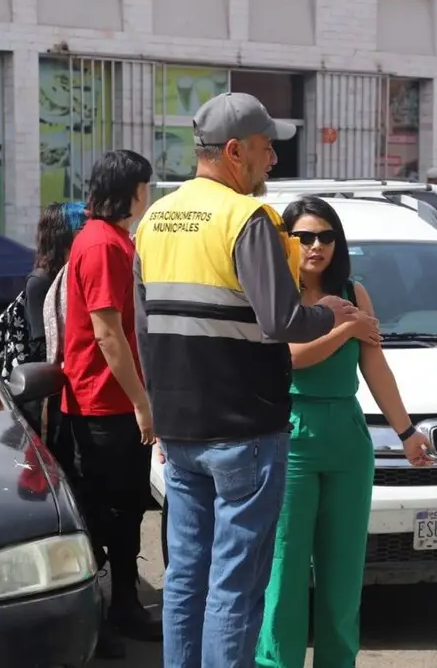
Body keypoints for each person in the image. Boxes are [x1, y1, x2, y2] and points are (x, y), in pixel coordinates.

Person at [134, 92, 360, 668]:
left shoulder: (155, 217)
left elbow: (145, 327)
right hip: (243, 429)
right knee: (236, 582)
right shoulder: (247, 217)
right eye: (265, 149)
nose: (272, 162)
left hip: (180, 430)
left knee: (185, 575)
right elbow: (282, 320)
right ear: (235, 152)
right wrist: (332, 313)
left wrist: (158, 410)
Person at [255, 197, 433, 668]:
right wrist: (343, 329)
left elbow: (376, 366)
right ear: (286, 241)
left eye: (326, 236)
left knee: (342, 575)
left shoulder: (355, 293)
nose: (316, 246)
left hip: (348, 438)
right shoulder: (276, 292)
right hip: (291, 436)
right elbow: (287, 359)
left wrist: (407, 430)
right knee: (286, 574)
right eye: (305, 237)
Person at [56, 150, 160, 659]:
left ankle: (122, 606)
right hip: (104, 404)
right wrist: (142, 403)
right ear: (132, 190)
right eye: (147, 186)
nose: (150, 195)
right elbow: (107, 333)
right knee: (109, 516)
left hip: (112, 400)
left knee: (122, 514)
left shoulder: (114, 240)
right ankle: (108, 615)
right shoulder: (101, 244)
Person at [19, 201, 87, 434]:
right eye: (83, 228)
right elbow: (42, 345)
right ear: (64, 236)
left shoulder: (78, 272)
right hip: (49, 396)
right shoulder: (41, 281)